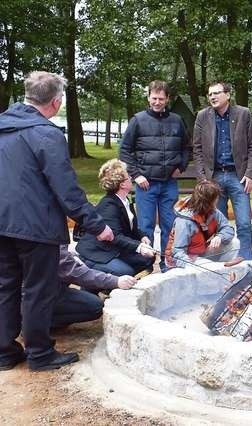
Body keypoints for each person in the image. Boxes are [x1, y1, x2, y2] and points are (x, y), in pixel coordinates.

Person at [0, 71, 114, 372]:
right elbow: (68, 191)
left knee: (6, 287)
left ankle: (4, 352)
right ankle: (39, 353)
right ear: (56, 101)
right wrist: (97, 226)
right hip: (35, 228)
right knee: (39, 289)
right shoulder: (47, 134)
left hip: (1, 223)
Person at [119, 80, 191, 270]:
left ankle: (168, 263)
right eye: (154, 98)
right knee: (145, 226)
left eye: (161, 98)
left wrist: (181, 166)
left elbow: (187, 148)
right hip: (146, 183)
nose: (157, 102)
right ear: (148, 97)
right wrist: (135, 175)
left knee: (170, 225)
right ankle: (146, 264)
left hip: (168, 183)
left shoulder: (176, 120)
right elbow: (124, 151)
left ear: (167, 99)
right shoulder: (138, 120)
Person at [192, 81, 252, 260]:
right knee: (215, 225)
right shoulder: (202, 116)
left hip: (238, 177)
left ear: (228, 95)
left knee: (244, 223)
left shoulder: (243, 114)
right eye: (210, 94)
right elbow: (197, 149)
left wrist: (250, 174)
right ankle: (218, 264)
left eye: (217, 93)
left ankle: (246, 262)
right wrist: (203, 179)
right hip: (213, 178)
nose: (213, 97)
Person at [75, 159, 156, 276]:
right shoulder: (109, 205)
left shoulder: (125, 200)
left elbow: (130, 228)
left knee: (147, 260)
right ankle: (92, 283)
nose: (131, 178)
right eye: (128, 177)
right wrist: (139, 247)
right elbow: (115, 236)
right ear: (122, 184)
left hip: (113, 248)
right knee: (126, 272)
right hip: (97, 251)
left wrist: (142, 236)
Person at [53, 245, 137, 329]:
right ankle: (46, 322)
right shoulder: (51, 237)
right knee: (96, 306)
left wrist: (72, 256)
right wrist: (115, 281)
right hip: (45, 293)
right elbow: (73, 272)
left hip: (48, 285)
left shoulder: (49, 235)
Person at [165, 180, 240, 268]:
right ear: (207, 201)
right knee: (209, 267)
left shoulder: (213, 212)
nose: (217, 200)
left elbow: (228, 228)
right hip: (182, 259)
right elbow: (177, 252)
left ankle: (223, 271)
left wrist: (220, 236)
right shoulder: (184, 222)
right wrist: (190, 266)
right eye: (215, 198)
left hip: (200, 252)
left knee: (234, 243)